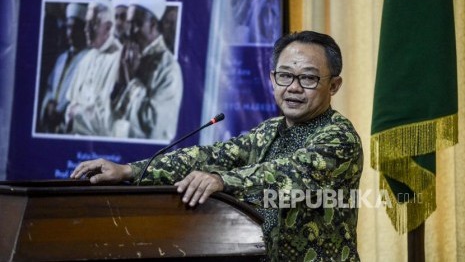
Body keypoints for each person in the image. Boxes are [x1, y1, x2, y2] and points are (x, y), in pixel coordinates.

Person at [71, 31, 363, 261]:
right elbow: (210, 156)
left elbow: (283, 175)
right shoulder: (270, 130)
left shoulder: (339, 138)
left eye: (309, 78)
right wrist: (128, 171)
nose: (294, 87)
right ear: (273, 79)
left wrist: (222, 181)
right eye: (285, 75)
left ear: (333, 86)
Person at [112, 0, 183, 141]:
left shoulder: (168, 68)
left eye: (136, 23)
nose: (129, 31)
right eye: (129, 23)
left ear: (153, 25)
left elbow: (156, 126)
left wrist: (132, 81)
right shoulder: (129, 56)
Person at [65, 0, 122, 136]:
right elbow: (70, 106)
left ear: (108, 27)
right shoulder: (86, 59)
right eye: (86, 23)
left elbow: (107, 117)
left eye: (92, 24)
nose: (86, 29)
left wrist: (77, 114)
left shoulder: (120, 59)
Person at [39, 3, 88, 133]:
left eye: (75, 28)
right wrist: (48, 104)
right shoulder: (61, 58)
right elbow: (50, 87)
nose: (70, 33)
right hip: (51, 123)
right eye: (68, 28)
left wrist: (62, 111)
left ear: (84, 30)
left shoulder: (89, 59)